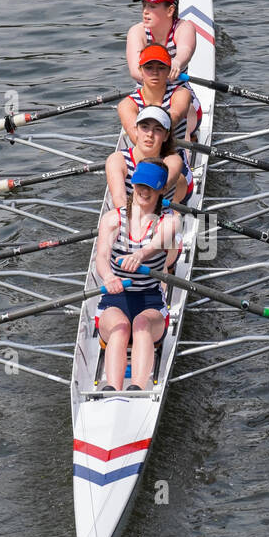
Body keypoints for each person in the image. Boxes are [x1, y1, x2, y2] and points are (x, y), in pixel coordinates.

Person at [94, 158, 181, 391]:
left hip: (150, 300)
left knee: (141, 323)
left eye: (151, 186)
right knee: (121, 327)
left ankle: (137, 389)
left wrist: (140, 255)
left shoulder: (170, 221)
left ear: (162, 189)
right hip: (114, 299)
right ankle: (112, 389)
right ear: (133, 184)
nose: (144, 190)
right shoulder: (112, 219)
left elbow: (158, 242)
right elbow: (101, 257)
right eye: (141, 184)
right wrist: (109, 277)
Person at [105, 105, 193, 209]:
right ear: (136, 130)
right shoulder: (117, 159)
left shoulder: (173, 160)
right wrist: (129, 219)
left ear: (166, 136)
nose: (150, 134)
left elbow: (160, 186)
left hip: (169, 205)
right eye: (144, 127)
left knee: (174, 220)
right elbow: (119, 197)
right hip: (132, 214)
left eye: (158, 129)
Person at [116, 43, 198, 144]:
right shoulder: (126, 104)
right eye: (149, 67)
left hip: (174, 153)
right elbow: (135, 136)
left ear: (169, 70)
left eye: (161, 67)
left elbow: (175, 115)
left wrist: (150, 133)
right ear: (140, 70)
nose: (155, 72)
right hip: (141, 154)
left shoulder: (181, 93)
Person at [126, 0, 196, 84]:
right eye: (144, 5)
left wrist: (177, 62)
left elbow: (186, 49)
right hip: (146, 90)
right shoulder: (137, 31)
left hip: (177, 88)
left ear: (170, 11)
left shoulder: (183, 28)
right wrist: (160, 78)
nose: (145, 11)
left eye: (152, 6)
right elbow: (135, 71)